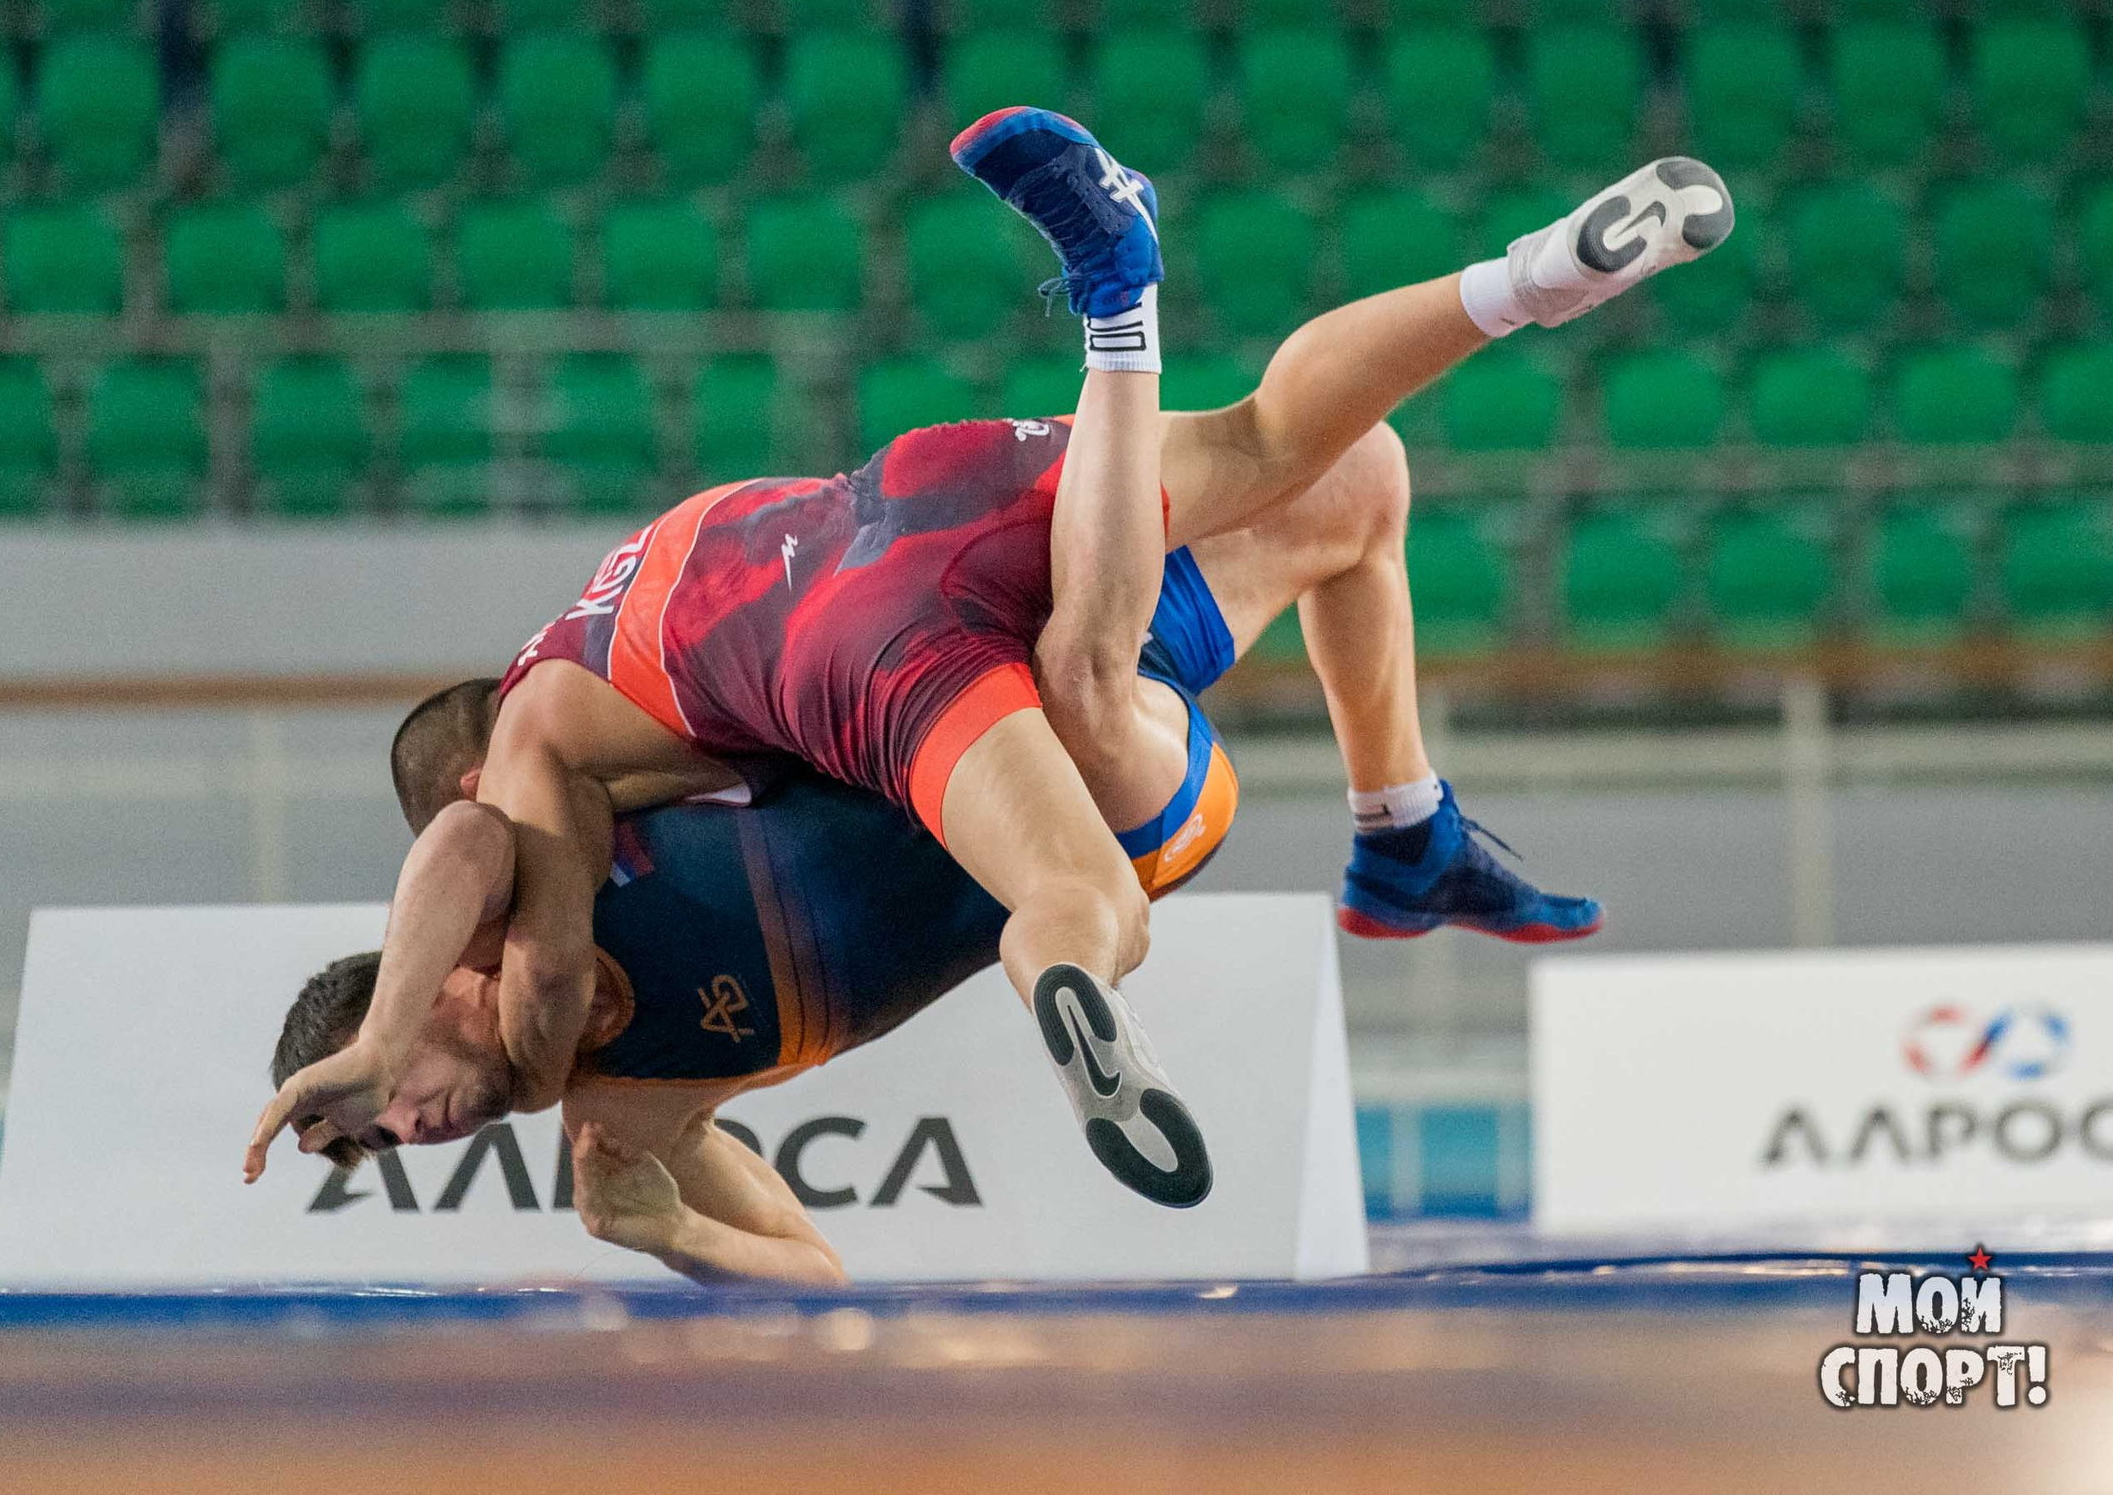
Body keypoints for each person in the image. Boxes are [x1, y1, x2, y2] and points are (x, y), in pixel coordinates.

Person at [251, 111, 1733, 1206]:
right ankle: (1535, 282)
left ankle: (1121, 302)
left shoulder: (528, 806)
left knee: (1080, 842)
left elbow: (502, 899)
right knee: (1325, 467)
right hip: (895, 500)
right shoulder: (581, 666)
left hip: (871, 647)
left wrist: (402, 1041)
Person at [251, 414, 1499, 1282]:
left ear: (434, 981)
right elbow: (814, 1282)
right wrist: (671, 1239)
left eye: (382, 1108)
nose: (407, 1132)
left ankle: (1145, 327)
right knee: (1089, 693)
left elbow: (466, 832)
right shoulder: (625, 1126)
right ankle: (1123, 315)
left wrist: (370, 1045)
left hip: (989, 715)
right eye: (385, 1144)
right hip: (1118, 805)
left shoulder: (533, 867)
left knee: (1347, 486)